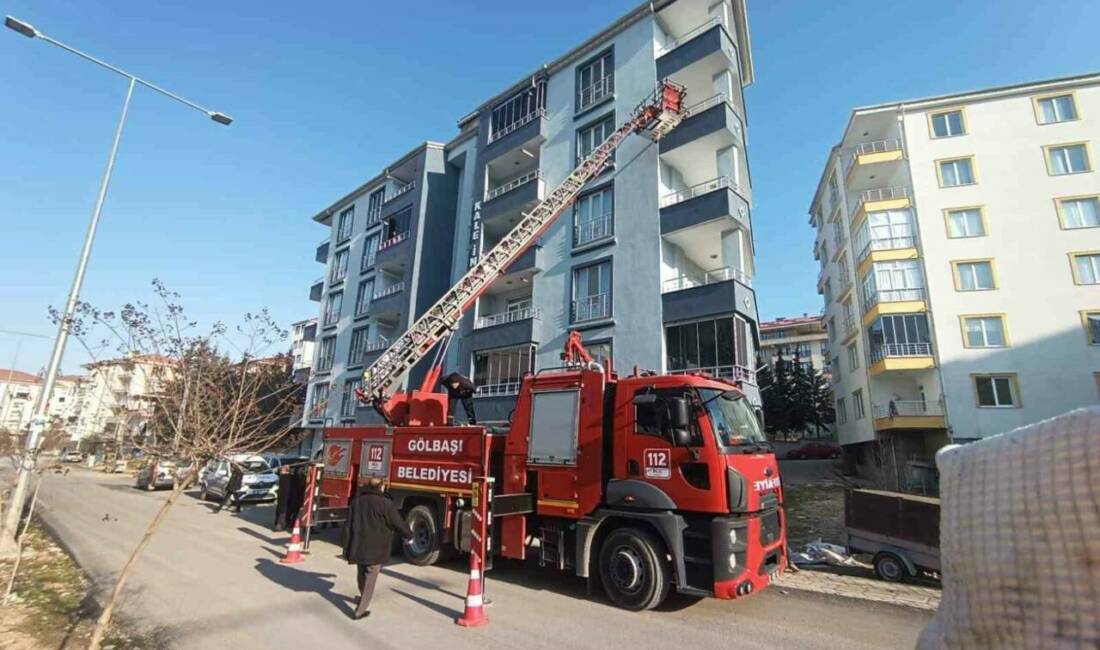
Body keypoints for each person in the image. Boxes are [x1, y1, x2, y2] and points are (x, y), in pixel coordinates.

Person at [342, 477, 413, 620]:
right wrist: (409, 534)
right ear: (381, 487)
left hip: (358, 545)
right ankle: (360, 611)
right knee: (371, 578)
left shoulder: (356, 502)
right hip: (376, 547)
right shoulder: (385, 504)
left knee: (362, 573)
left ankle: (362, 597)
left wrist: (346, 546)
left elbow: (347, 526)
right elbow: (397, 522)